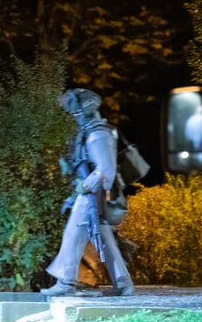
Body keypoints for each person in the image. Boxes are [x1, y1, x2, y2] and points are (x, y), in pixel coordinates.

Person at [41, 89, 134, 297]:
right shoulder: (92, 132)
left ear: (85, 111)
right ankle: (123, 282)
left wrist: (84, 187)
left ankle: (66, 280)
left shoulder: (98, 134)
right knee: (105, 238)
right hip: (92, 193)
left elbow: (106, 170)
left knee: (73, 234)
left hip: (93, 195)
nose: (74, 117)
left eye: (75, 113)